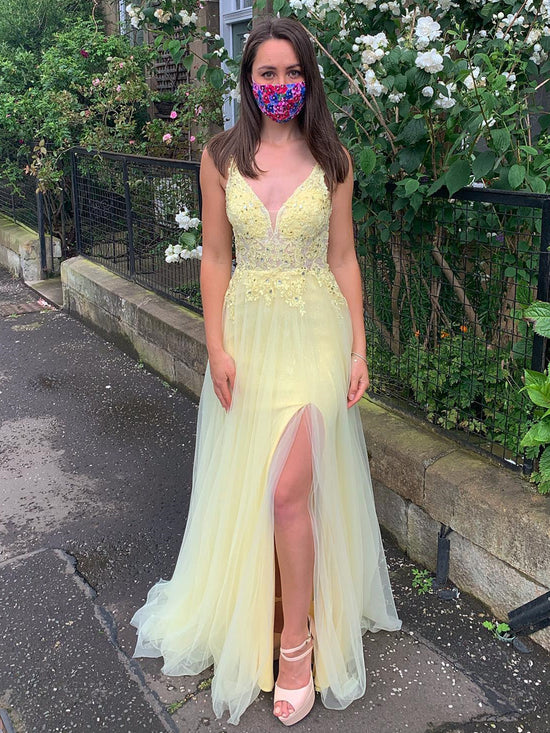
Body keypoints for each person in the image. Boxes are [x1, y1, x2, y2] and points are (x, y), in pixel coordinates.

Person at [130, 14, 402, 728]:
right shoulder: (220, 156)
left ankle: (296, 647)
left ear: (308, 78)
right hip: (248, 336)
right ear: (248, 80)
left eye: (292, 72)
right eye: (267, 73)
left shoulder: (333, 160)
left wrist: (359, 348)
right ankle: (256, 610)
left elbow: (343, 257)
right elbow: (216, 257)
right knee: (255, 481)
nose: (280, 84)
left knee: (287, 488)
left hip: (316, 333)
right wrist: (216, 347)